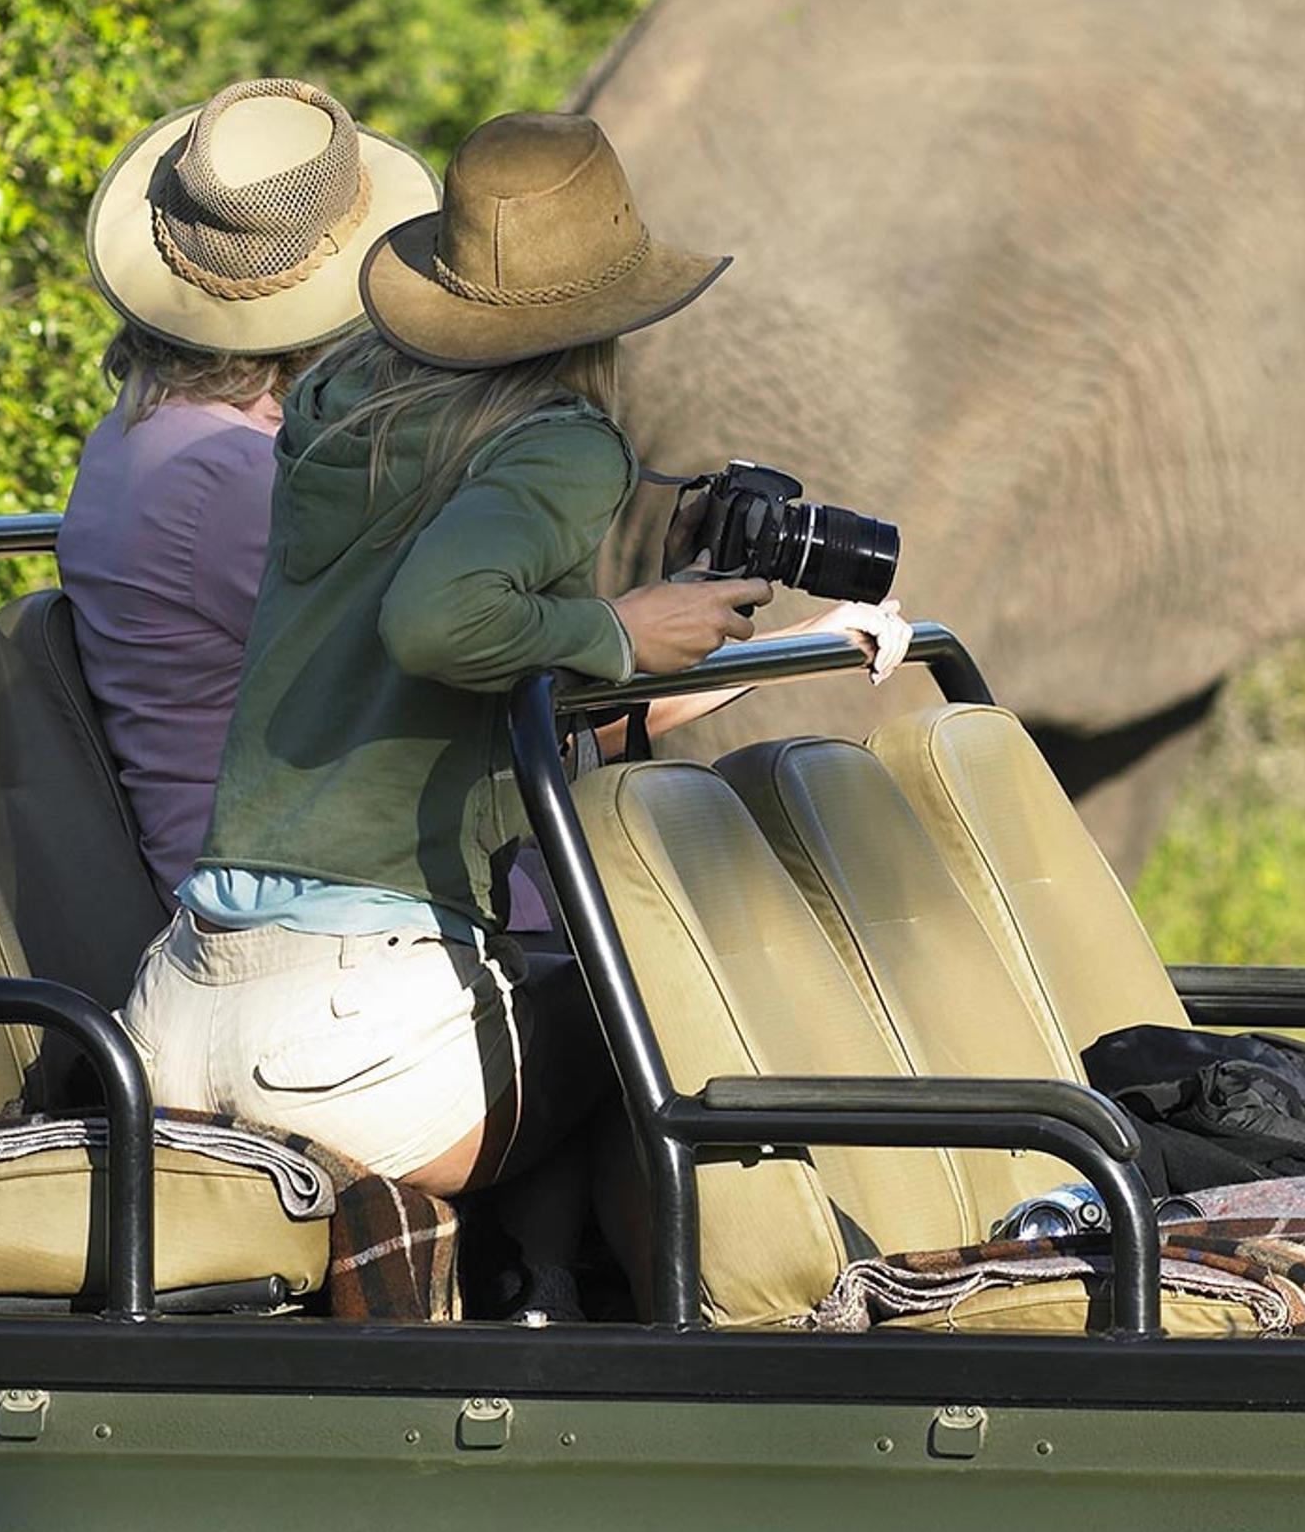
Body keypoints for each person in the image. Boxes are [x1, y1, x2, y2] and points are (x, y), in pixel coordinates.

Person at [121, 110, 903, 1228]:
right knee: (666, 1027)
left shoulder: (338, 419)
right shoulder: (562, 439)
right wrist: (621, 633)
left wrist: (712, 638)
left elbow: (452, 646)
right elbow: (438, 623)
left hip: (183, 1006)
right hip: (361, 1041)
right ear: (614, 299)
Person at [60, 77, 434, 893]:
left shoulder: (150, 430)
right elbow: (430, 681)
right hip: (299, 888)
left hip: (284, 857)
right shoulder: (230, 475)